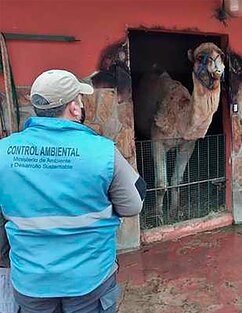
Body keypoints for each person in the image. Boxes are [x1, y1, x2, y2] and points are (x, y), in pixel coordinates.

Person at [0, 69, 146, 313]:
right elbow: (133, 205)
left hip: (31, 283)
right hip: (89, 281)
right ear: (74, 108)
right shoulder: (102, 152)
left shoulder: (3, 152)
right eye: (79, 99)